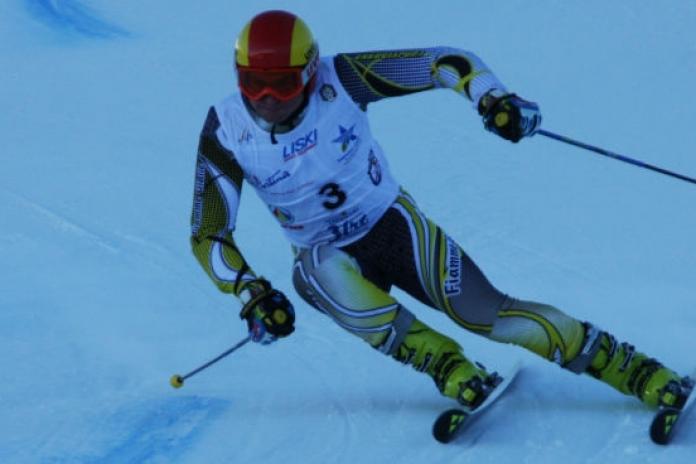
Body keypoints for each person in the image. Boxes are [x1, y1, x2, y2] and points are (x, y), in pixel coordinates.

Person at [189, 9, 689, 412]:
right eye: (253, 83)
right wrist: (252, 294)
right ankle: (447, 366)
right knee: (311, 273)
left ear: (310, 70)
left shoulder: (343, 79)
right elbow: (208, 232)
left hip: (391, 226)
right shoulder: (227, 129)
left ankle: (634, 370)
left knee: (487, 315)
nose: (268, 99)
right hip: (329, 255)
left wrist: (492, 98)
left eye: (282, 84)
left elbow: (444, 61)